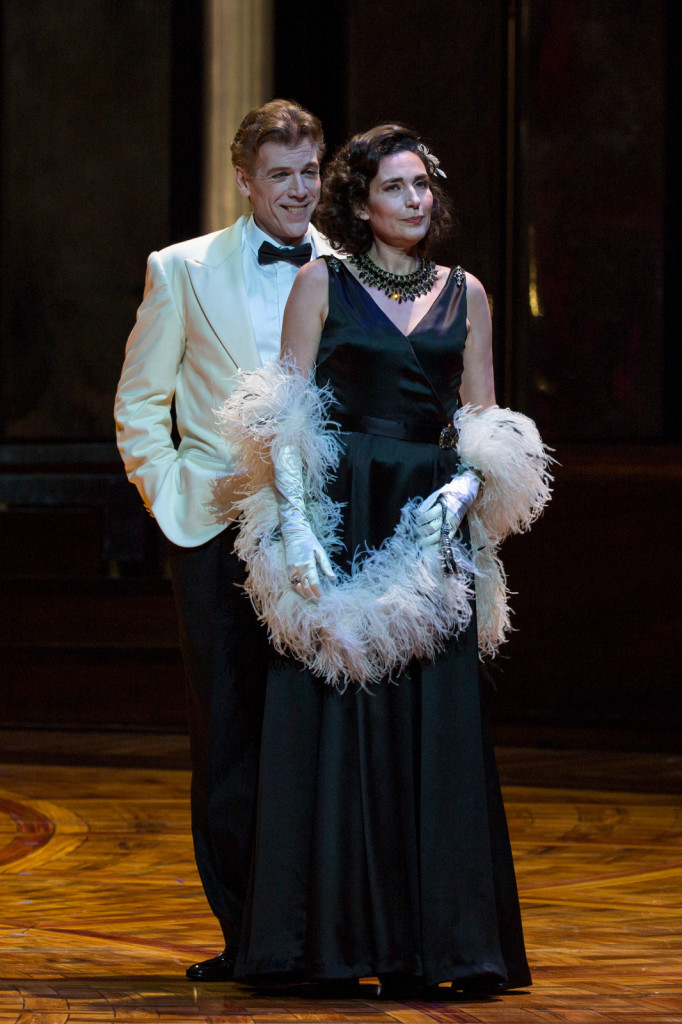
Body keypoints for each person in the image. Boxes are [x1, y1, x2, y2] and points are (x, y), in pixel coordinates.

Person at [222, 124, 550, 996]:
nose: (415, 200)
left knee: (431, 721)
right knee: (338, 718)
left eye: (422, 185)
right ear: (360, 203)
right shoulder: (320, 282)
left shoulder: (467, 292)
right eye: (396, 187)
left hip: (428, 523)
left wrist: (465, 491)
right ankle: (330, 945)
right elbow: (285, 416)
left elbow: (484, 419)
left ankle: (437, 947)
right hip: (346, 510)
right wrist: (298, 528)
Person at [114, 99, 337, 982]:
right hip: (215, 527)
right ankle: (246, 934)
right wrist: (175, 499)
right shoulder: (182, 269)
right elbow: (141, 401)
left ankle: (319, 930)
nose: (299, 190)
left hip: (322, 533)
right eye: (281, 174)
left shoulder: (348, 271)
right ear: (243, 179)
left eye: (310, 172)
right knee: (230, 734)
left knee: (316, 733)